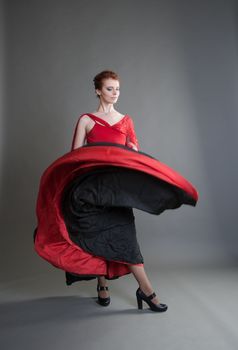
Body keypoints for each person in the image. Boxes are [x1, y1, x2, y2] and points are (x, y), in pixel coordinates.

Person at [34, 70, 199, 312]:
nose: (115, 93)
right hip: (90, 192)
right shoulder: (86, 120)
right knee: (95, 237)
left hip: (117, 193)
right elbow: (75, 157)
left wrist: (131, 149)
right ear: (98, 90)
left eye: (118, 89)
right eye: (110, 89)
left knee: (126, 240)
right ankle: (105, 284)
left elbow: (134, 156)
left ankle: (145, 290)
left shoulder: (126, 121)